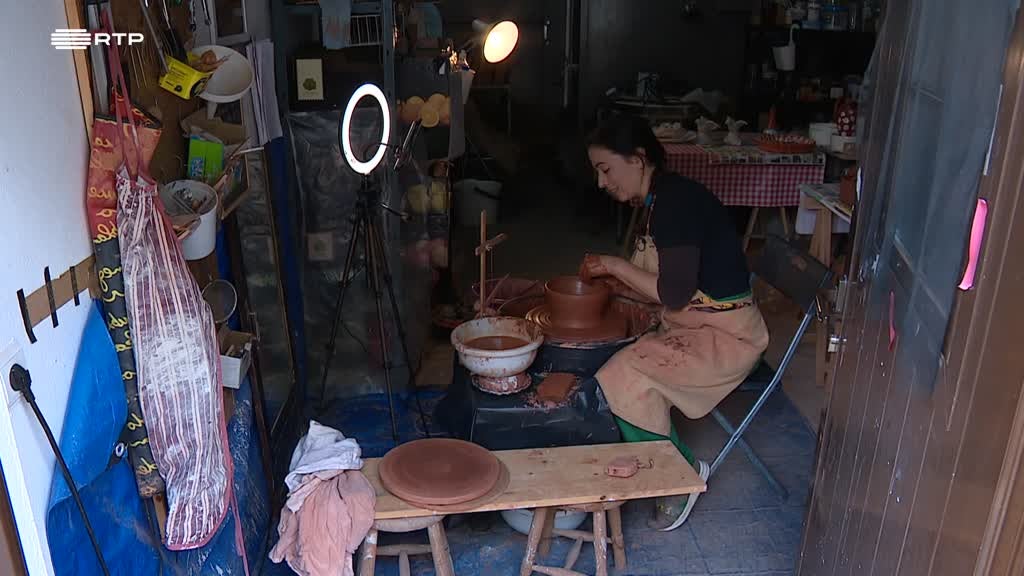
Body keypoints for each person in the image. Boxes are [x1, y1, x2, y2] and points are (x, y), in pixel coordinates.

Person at [580, 114, 770, 530]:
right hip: (696, 321)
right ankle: (637, 447)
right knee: (612, 340)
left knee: (622, 376)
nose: (602, 182)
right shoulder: (658, 200)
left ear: (639, 158)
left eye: (605, 169)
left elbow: (673, 294)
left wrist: (614, 264)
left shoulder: (675, 206)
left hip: (727, 337)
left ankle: (679, 477)